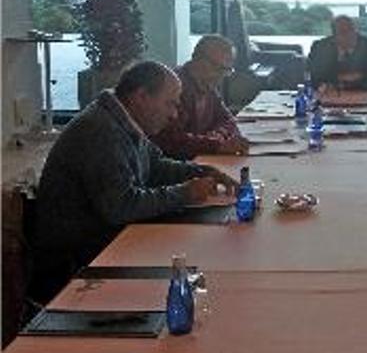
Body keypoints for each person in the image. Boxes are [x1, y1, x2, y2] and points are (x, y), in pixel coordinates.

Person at [30, 61, 237, 303]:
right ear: (140, 97)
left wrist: (202, 171)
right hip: (79, 268)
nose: (174, 114)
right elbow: (121, 207)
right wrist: (185, 193)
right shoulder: (101, 131)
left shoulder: (122, 119)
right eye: (170, 103)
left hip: (113, 244)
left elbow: (156, 166)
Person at [152, 35, 248, 160]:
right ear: (196, 58)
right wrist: (216, 145)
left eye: (226, 70)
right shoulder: (173, 87)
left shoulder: (207, 85)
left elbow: (228, 120)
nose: (220, 75)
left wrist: (219, 133)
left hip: (202, 159)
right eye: (216, 67)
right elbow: (170, 140)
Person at [308, 15, 367, 91]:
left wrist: (332, 81)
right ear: (334, 35)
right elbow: (315, 80)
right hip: (327, 97)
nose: (350, 35)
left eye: (351, 30)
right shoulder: (320, 47)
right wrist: (345, 77)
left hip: (361, 97)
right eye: (343, 32)